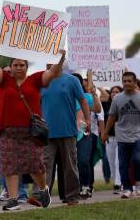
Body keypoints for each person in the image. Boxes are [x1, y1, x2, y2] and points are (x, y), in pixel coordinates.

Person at [0, 34, 65, 211]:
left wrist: (61, 57)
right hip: (9, 131)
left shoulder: (35, 79)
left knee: (35, 166)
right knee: (10, 166)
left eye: (21, 65)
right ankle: (13, 199)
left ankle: (43, 189)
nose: (18, 68)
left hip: (32, 132)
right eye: (15, 65)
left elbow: (53, 72)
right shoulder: (5, 81)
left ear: (26, 66)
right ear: (10, 66)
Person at [102, 72, 140, 199]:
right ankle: (127, 188)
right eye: (124, 81)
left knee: (138, 159)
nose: (127, 83)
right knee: (123, 164)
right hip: (122, 136)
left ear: (134, 82)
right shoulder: (117, 98)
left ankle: (139, 182)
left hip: (139, 135)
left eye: (129, 81)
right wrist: (105, 132)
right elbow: (112, 116)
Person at [40, 67, 90, 206]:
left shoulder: (72, 80)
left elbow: (83, 100)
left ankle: (72, 197)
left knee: (70, 166)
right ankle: (43, 197)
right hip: (46, 132)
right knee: (45, 166)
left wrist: (88, 119)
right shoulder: (42, 80)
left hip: (67, 131)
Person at [100, 86, 123, 194]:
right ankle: (116, 181)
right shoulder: (105, 105)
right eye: (113, 92)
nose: (114, 94)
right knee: (111, 162)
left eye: (117, 92)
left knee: (118, 161)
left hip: (122, 137)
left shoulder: (124, 104)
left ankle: (118, 183)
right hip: (109, 137)